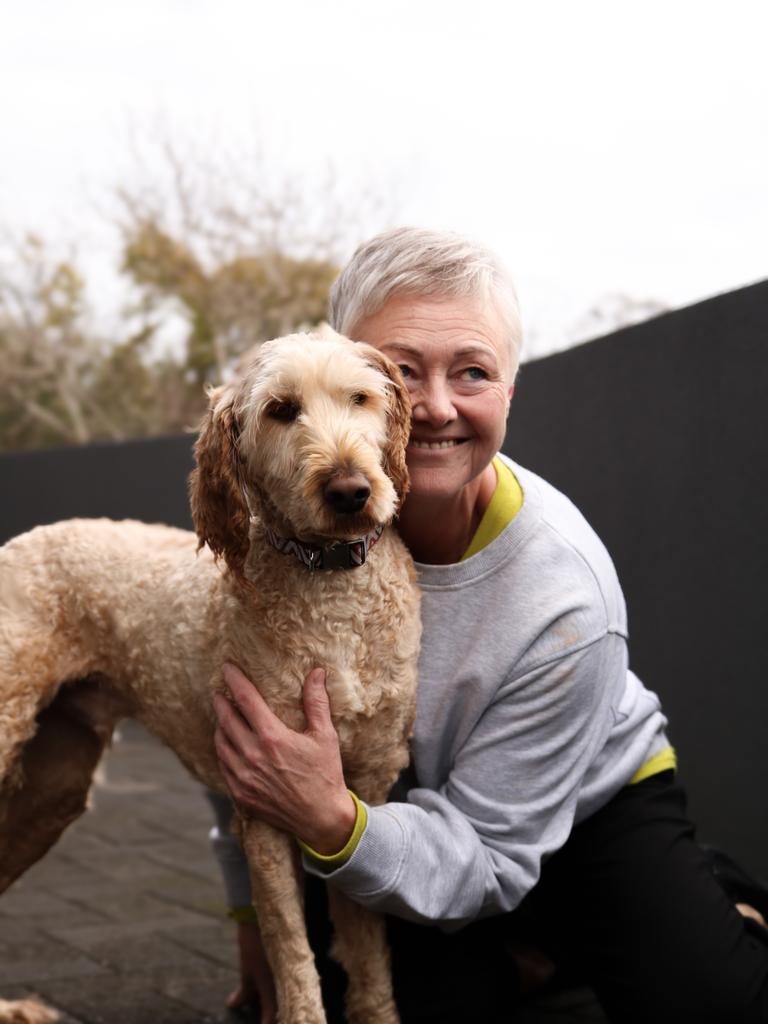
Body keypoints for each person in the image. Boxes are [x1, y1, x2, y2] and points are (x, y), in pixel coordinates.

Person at [210, 227, 768, 1023]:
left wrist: (332, 820)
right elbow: (243, 753)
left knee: (711, 1005)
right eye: (402, 371)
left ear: (509, 391)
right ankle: (526, 952)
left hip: (580, 802)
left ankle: (706, 899)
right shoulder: (295, 532)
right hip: (400, 813)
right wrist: (251, 930)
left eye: (472, 372)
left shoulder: (565, 597)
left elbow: (488, 858)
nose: (436, 406)